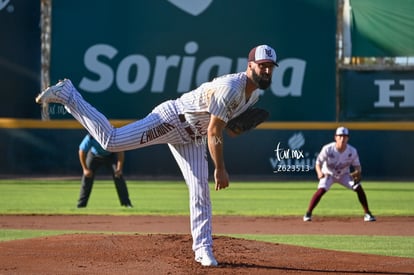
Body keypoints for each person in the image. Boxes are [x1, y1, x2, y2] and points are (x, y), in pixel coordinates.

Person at [35, 44, 278, 267]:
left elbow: (223, 129)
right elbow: (214, 131)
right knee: (111, 140)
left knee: (200, 190)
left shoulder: (253, 95)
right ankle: (68, 94)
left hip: (193, 137)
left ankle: (203, 249)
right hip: (173, 120)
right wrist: (220, 168)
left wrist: (236, 128)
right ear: (250, 66)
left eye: (270, 67)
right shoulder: (231, 87)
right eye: (262, 66)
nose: (266, 71)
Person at [303, 126, 376, 222]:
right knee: (321, 190)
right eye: (340, 136)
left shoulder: (352, 151)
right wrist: (319, 173)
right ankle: (308, 214)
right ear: (335, 137)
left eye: (345, 136)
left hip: (344, 175)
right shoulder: (328, 149)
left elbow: (358, 166)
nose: (342, 138)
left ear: (348, 138)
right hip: (328, 174)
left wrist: (357, 172)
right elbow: (318, 163)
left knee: (358, 188)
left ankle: (367, 214)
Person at [77, 134, 133, 208]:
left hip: (110, 155)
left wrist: (119, 168)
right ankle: (81, 205)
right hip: (94, 155)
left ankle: (126, 203)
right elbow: (81, 151)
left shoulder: (112, 135)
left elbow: (120, 152)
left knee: (118, 176)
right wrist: (85, 169)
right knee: (87, 177)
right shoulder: (91, 136)